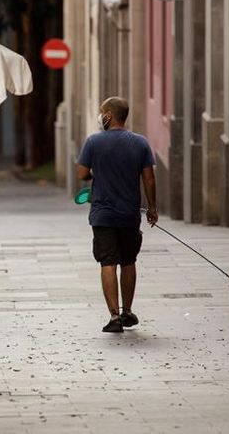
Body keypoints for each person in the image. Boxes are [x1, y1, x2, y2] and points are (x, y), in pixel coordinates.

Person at [76, 96, 158, 333]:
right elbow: (149, 179)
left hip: (103, 215)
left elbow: (82, 173)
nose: (100, 115)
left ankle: (113, 318)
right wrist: (152, 208)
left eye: (102, 112)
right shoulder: (140, 143)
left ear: (109, 116)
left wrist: (96, 175)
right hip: (129, 214)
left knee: (108, 262)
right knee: (129, 261)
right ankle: (127, 311)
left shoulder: (93, 142)